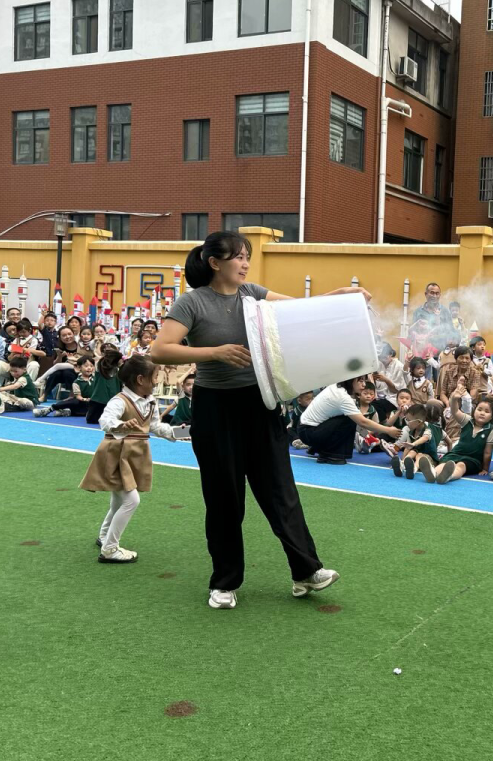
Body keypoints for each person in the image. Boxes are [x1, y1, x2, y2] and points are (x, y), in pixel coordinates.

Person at [152, 230, 370, 609]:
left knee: (280, 490)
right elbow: (160, 350)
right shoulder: (192, 302)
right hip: (215, 408)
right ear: (214, 262)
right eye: (238, 257)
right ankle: (224, 583)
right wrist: (215, 352)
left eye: (247, 256)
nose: (245, 263)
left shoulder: (252, 295)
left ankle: (306, 572)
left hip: (260, 403)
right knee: (224, 498)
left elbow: (302, 309)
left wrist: (341, 296)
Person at [80, 355, 183, 564]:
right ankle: (110, 549)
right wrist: (121, 425)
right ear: (140, 379)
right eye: (155, 376)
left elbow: (155, 426)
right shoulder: (120, 400)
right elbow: (105, 420)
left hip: (133, 455)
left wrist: (181, 433)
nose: (157, 381)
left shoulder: (150, 401)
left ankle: (104, 536)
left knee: (119, 500)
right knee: (131, 500)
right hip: (116, 454)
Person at [299, 377, 401, 465]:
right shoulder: (342, 397)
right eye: (360, 381)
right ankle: (329, 455)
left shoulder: (337, 387)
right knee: (349, 419)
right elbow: (362, 422)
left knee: (349, 418)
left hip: (308, 429)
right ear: (351, 381)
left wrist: (372, 439)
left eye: (364, 381)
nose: (364, 384)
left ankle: (320, 448)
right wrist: (388, 430)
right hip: (308, 432)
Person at [432, 394, 493, 484]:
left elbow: (487, 453)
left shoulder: (491, 430)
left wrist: (485, 469)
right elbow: (455, 411)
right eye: (479, 409)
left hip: (473, 459)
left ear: (491, 416)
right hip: (456, 453)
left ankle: (449, 476)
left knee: (461, 466)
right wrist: (454, 398)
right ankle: (433, 474)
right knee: (445, 463)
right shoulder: (467, 420)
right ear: (474, 410)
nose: (482, 413)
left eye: (487, 411)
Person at [390, 403, 436, 480]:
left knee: (420, 455)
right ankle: (402, 465)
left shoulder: (428, 430)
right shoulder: (411, 431)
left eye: (409, 420)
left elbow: (425, 438)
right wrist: (403, 459)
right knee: (412, 452)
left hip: (429, 459)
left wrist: (413, 444)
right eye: (406, 419)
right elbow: (407, 448)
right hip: (415, 456)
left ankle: (414, 469)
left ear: (418, 422)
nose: (407, 422)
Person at [86, 345, 122, 424]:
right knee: (92, 420)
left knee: (112, 421)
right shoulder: (99, 367)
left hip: (114, 401)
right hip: (98, 400)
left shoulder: (119, 370)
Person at [412, 283, 453, 352]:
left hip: (440, 351)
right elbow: (413, 332)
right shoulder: (418, 312)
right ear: (426, 294)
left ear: (440, 295)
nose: (434, 296)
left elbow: (451, 331)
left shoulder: (445, 311)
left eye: (437, 293)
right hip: (422, 351)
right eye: (432, 293)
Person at [354, 381, 381, 454]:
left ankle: (367, 443)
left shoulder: (373, 411)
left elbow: (376, 427)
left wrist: (369, 433)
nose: (368, 396)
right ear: (359, 395)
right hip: (353, 432)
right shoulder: (353, 406)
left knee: (379, 439)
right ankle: (365, 443)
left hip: (367, 434)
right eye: (365, 393)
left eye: (371, 394)